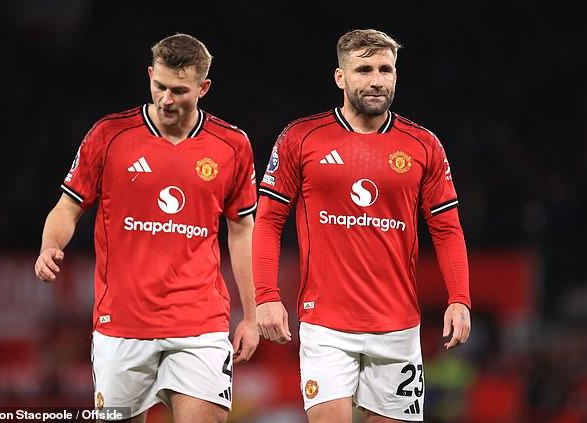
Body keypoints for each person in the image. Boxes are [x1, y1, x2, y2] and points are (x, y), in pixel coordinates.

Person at [34, 34, 259, 423]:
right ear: (150, 74)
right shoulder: (109, 135)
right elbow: (67, 208)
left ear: (203, 88)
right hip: (121, 325)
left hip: (199, 324)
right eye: (160, 86)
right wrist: (49, 246)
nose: (166, 99)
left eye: (179, 91)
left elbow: (241, 230)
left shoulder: (232, 145)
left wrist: (252, 315)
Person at [253, 29, 471, 423]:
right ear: (340, 77)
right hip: (325, 325)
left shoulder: (423, 145)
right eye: (364, 69)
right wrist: (266, 295)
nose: (376, 80)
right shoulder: (301, 138)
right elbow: (268, 220)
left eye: (385, 69)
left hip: (398, 327)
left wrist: (460, 298)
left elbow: (447, 229)